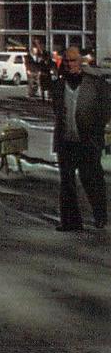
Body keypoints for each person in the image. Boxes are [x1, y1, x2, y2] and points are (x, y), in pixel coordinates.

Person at [51, 47, 111, 232]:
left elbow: (107, 108)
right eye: (66, 61)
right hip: (66, 141)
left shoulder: (95, 84)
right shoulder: (59, 85)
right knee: (67, 181)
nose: (69, 64)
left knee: (92, 179)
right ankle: (70, 221)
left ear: (81, 62)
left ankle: (100, 215)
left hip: (88, 141)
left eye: (73, 61)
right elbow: (57, 111)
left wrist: (97, 128)